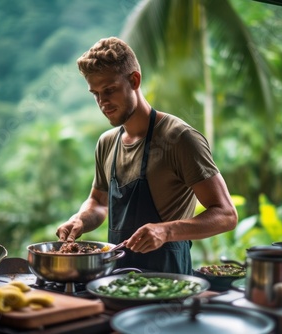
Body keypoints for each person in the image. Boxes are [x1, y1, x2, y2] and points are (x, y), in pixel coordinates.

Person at [56, 37, 238, 275]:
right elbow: (98, 203)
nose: (103, 102)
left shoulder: (179, 138)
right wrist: (80, 219)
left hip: (170, 281)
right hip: (116, 278)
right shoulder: (106, 143)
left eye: (109, 90)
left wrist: (166, 231)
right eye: (96, 94)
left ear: (134, 80)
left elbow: (226, 214)